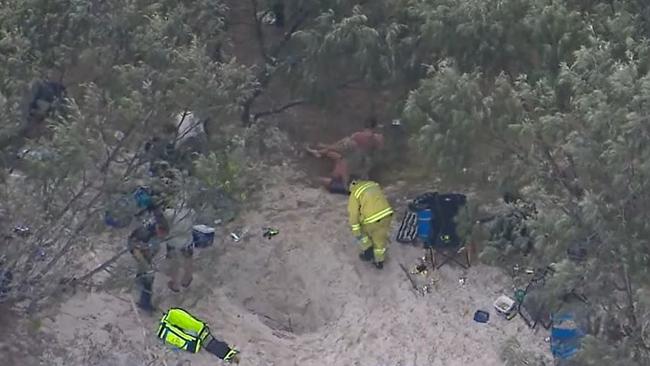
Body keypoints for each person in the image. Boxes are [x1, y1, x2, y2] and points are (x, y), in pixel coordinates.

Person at [306, 116, 384, 184]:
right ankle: (321, 151)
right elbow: (379, 151)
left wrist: (327, 147)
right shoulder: (378, 138)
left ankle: (321, 151)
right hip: (364, 167)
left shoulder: (357, 136)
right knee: (337, 153)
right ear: (375, 127)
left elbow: (341, 147)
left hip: (352, 167)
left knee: (340, 149)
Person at [157, 307, 240, 363]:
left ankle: (227, 354)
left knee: (205, 338)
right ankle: (227, 354)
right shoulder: (173, 313)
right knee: (206, 339)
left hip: (191, 335)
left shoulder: (172, 315)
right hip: (197, 334)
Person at [347, 176, 394, 269]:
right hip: (387, 215)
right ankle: (379, 262)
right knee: (379, 239)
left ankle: (368, 250)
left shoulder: (355, 192)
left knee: (361, 231)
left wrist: (355, 229)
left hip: (372, 220)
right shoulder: (373, 184)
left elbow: (354, 213)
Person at [128, 218, 167, 312]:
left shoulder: (154, 234)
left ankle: (139, 280)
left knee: (146, 271)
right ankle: (144, 303)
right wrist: (144, 263)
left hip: (145, 248)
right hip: (136, 248)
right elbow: (134, 246)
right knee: (148, 276)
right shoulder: (144, 233)